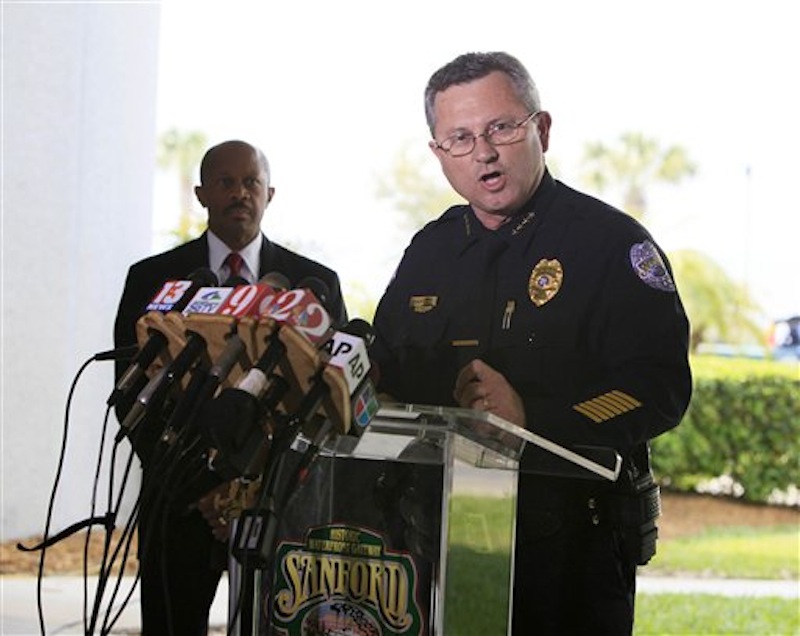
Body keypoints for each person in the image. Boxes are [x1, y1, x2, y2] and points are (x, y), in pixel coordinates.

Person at [371, 52, 692, 634]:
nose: (484, 152)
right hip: (431, 543)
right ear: (439, 154)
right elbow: (386, 368)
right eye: (460, 138)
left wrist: (531, 418)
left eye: (501, 128)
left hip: (572, 552)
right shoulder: (429, 251)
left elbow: (661, 386)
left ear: (541, 129)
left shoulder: (609, 245)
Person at [113, 139, 348, 635]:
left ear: (270, 194)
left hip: (277, 509)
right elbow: (134, 397)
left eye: (251, 182)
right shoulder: (153, 279)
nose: (240, 193)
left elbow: (327, 401)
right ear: (202, 193)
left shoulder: (314, 283)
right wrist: (206, 493)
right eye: (225, 182)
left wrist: (255, 490)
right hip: (179, 507)